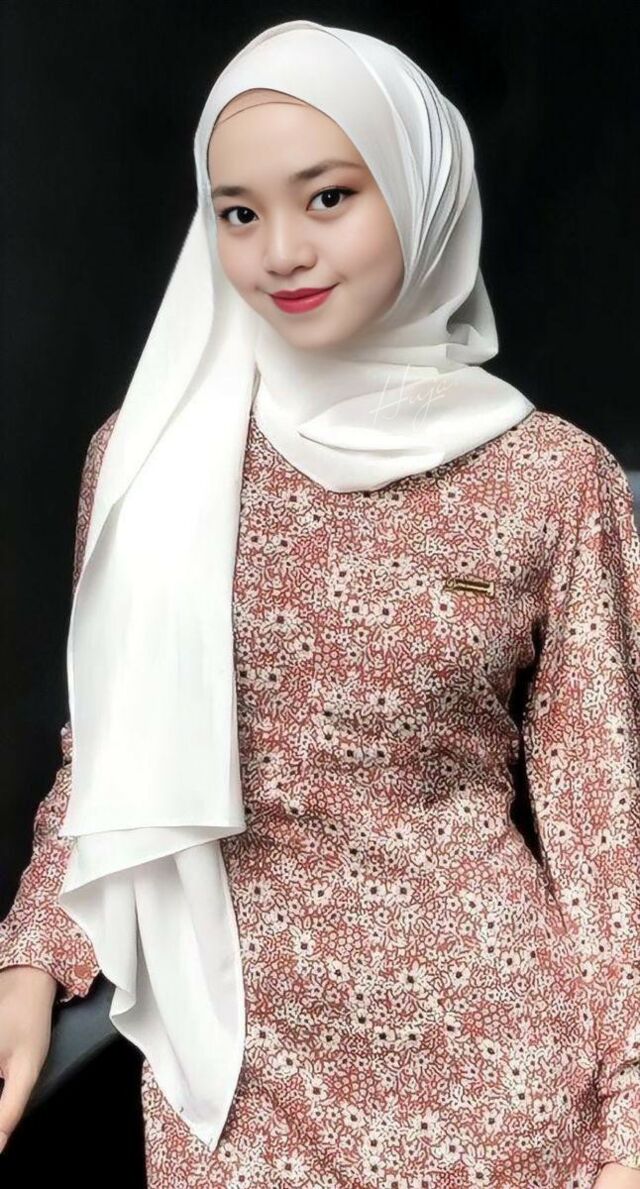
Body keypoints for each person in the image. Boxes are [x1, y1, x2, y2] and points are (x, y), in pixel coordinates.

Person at [0, 18, 639, 1188]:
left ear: (419, 188)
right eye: (238, 212)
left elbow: (609, 828)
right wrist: (30, 957)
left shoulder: (551, 478)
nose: (280, 251)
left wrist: (634, 1123)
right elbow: (107, 759)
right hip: (235, 1073)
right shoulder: (151, 456)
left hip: (501, 1073)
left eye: (330, 196)